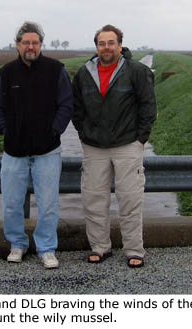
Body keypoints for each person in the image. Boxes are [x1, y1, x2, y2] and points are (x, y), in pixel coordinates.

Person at [72, 24, 157, 268]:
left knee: (130, 200)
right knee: (93, 199)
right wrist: (84, 133)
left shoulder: (137, 71)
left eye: (111, 43)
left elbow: (148, 106)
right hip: (94, 147)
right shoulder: (84, 73)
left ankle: (133, 250)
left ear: (120, 45)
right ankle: (100, 247)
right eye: (102, 43)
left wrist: (141, 139)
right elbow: (77, 109)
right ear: (96, 46)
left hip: (127, 144)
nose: (106, 47)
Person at [0, 21, 73, 269]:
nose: (30, 46)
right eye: (25, 42)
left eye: (35, 42)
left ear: (40, 45)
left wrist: (54, 130)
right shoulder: (6, 73)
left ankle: (47, 248)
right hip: (14, 152)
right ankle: (17, 244)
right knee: (11, 203)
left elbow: (66, 104)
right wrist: (6, 131)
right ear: (17, 45)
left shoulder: (55, 70)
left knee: (48, 204)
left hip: (47, 151)